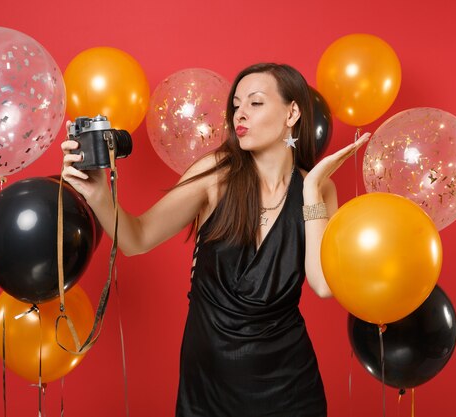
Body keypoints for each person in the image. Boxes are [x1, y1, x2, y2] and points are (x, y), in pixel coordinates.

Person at [62, 63, 370, 417]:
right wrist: (100, 194)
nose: (240, 113)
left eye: (255, 103)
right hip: (210, 387)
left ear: (292, 112)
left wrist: (312, 188)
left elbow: (322, 284)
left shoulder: (319, 188)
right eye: (236, 105)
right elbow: (137, 238)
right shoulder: (216, 175)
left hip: (290, 387)